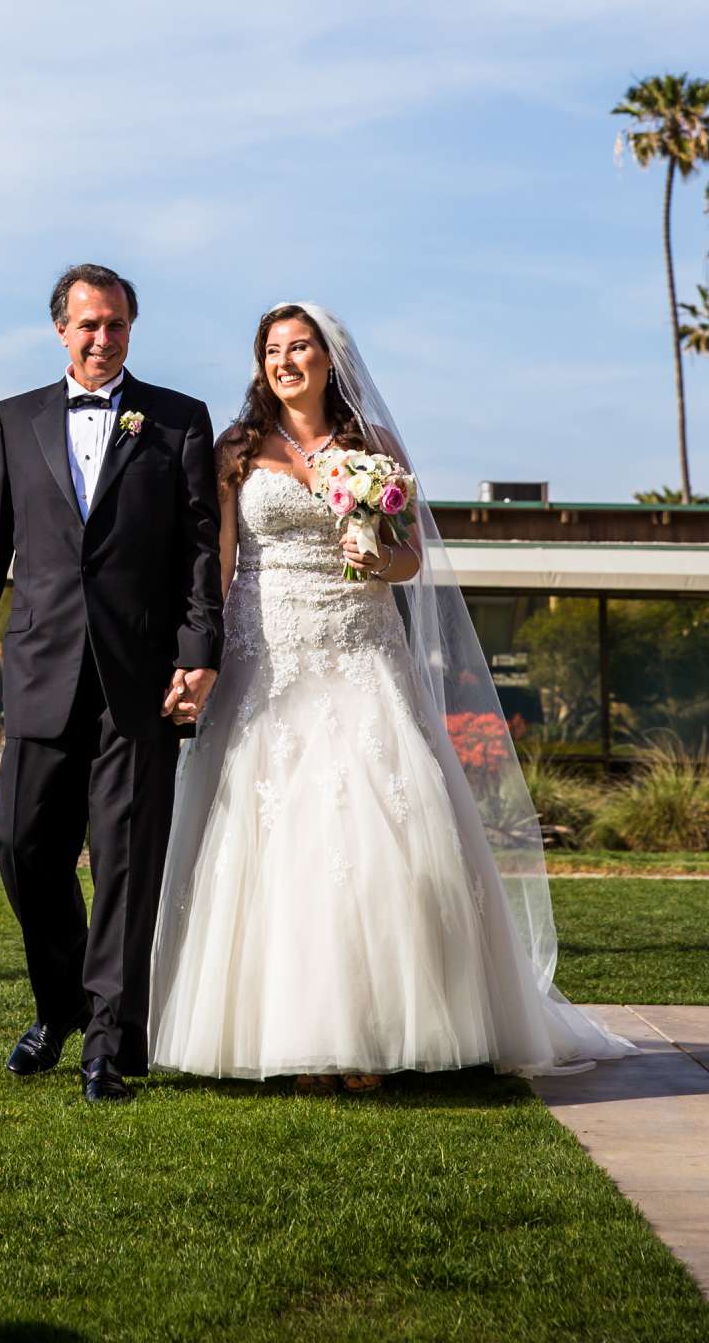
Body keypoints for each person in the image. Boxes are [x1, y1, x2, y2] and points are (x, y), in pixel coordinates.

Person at [146, 301, 630, 1087]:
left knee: (377, 836)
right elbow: (221, 564)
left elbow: (409, 561)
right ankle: (291, 1038)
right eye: (272, 350)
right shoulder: (236, 449)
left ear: (330, 358)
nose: (285, 361)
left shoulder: (375, 448)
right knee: (277, 840)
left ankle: (375, 1033)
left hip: (361, 648)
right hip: (265, 652)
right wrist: (200, 657)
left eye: (300, 346)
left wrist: (376, 563)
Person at [0, 263, 223, 1102]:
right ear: (60, 329)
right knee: (22, 847)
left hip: (140, 679)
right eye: (89, 325)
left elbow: (201, 551)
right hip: (38, 670)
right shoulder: (12, 421)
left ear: (131, 329)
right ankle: (60, 1004)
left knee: (127, 862)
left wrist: (198, 649)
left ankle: (109, 1038)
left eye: (117, 325)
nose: (103, 338)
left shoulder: (178, 421)